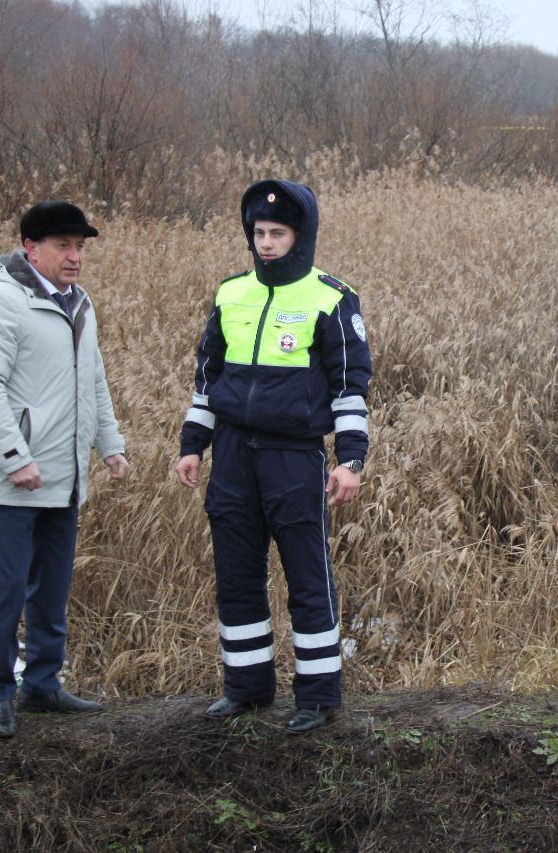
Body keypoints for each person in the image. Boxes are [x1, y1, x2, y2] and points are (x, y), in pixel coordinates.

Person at [175, 179, 371, 735]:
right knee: (236, 577)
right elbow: (208, 379)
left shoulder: (331, 298)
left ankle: (317, 695)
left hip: (294, 457)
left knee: (308, 578)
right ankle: (246, 688)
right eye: (258, 233)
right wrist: (194, 446)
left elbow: (350, 388)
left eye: (277, 233)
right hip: (234, 455)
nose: (265, 243)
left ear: (300, 236)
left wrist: (349, 460)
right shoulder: (230, 294)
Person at [0, 201, 129, 738]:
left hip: (65, 476)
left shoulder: (79, 304)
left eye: (79, 246)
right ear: (30, 248)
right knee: (7, 587)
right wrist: (16, 459)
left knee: (52, 587)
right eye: (63, 245)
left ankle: (43, 685)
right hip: (14, 479)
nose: (75, 256)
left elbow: (93, 380)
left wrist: (109, 443)